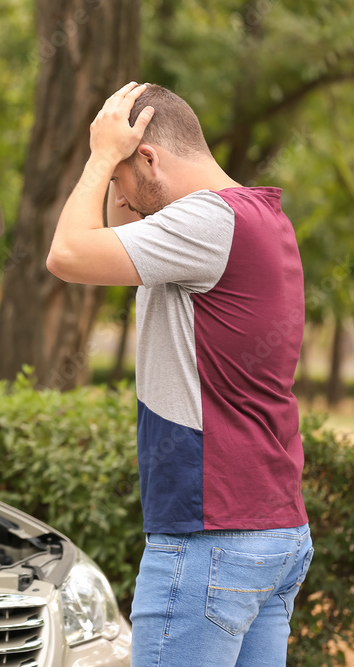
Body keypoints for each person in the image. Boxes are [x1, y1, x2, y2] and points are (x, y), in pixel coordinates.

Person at [46, 82, 313, 666]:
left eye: (120, 179)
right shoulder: (258, 217)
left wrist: (98, 158)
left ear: (148, 157)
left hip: (209, 536)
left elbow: (66, 254)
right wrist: (118, 163)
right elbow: (119, 226)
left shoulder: (206, 222)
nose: (119, 197)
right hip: (271, 531)